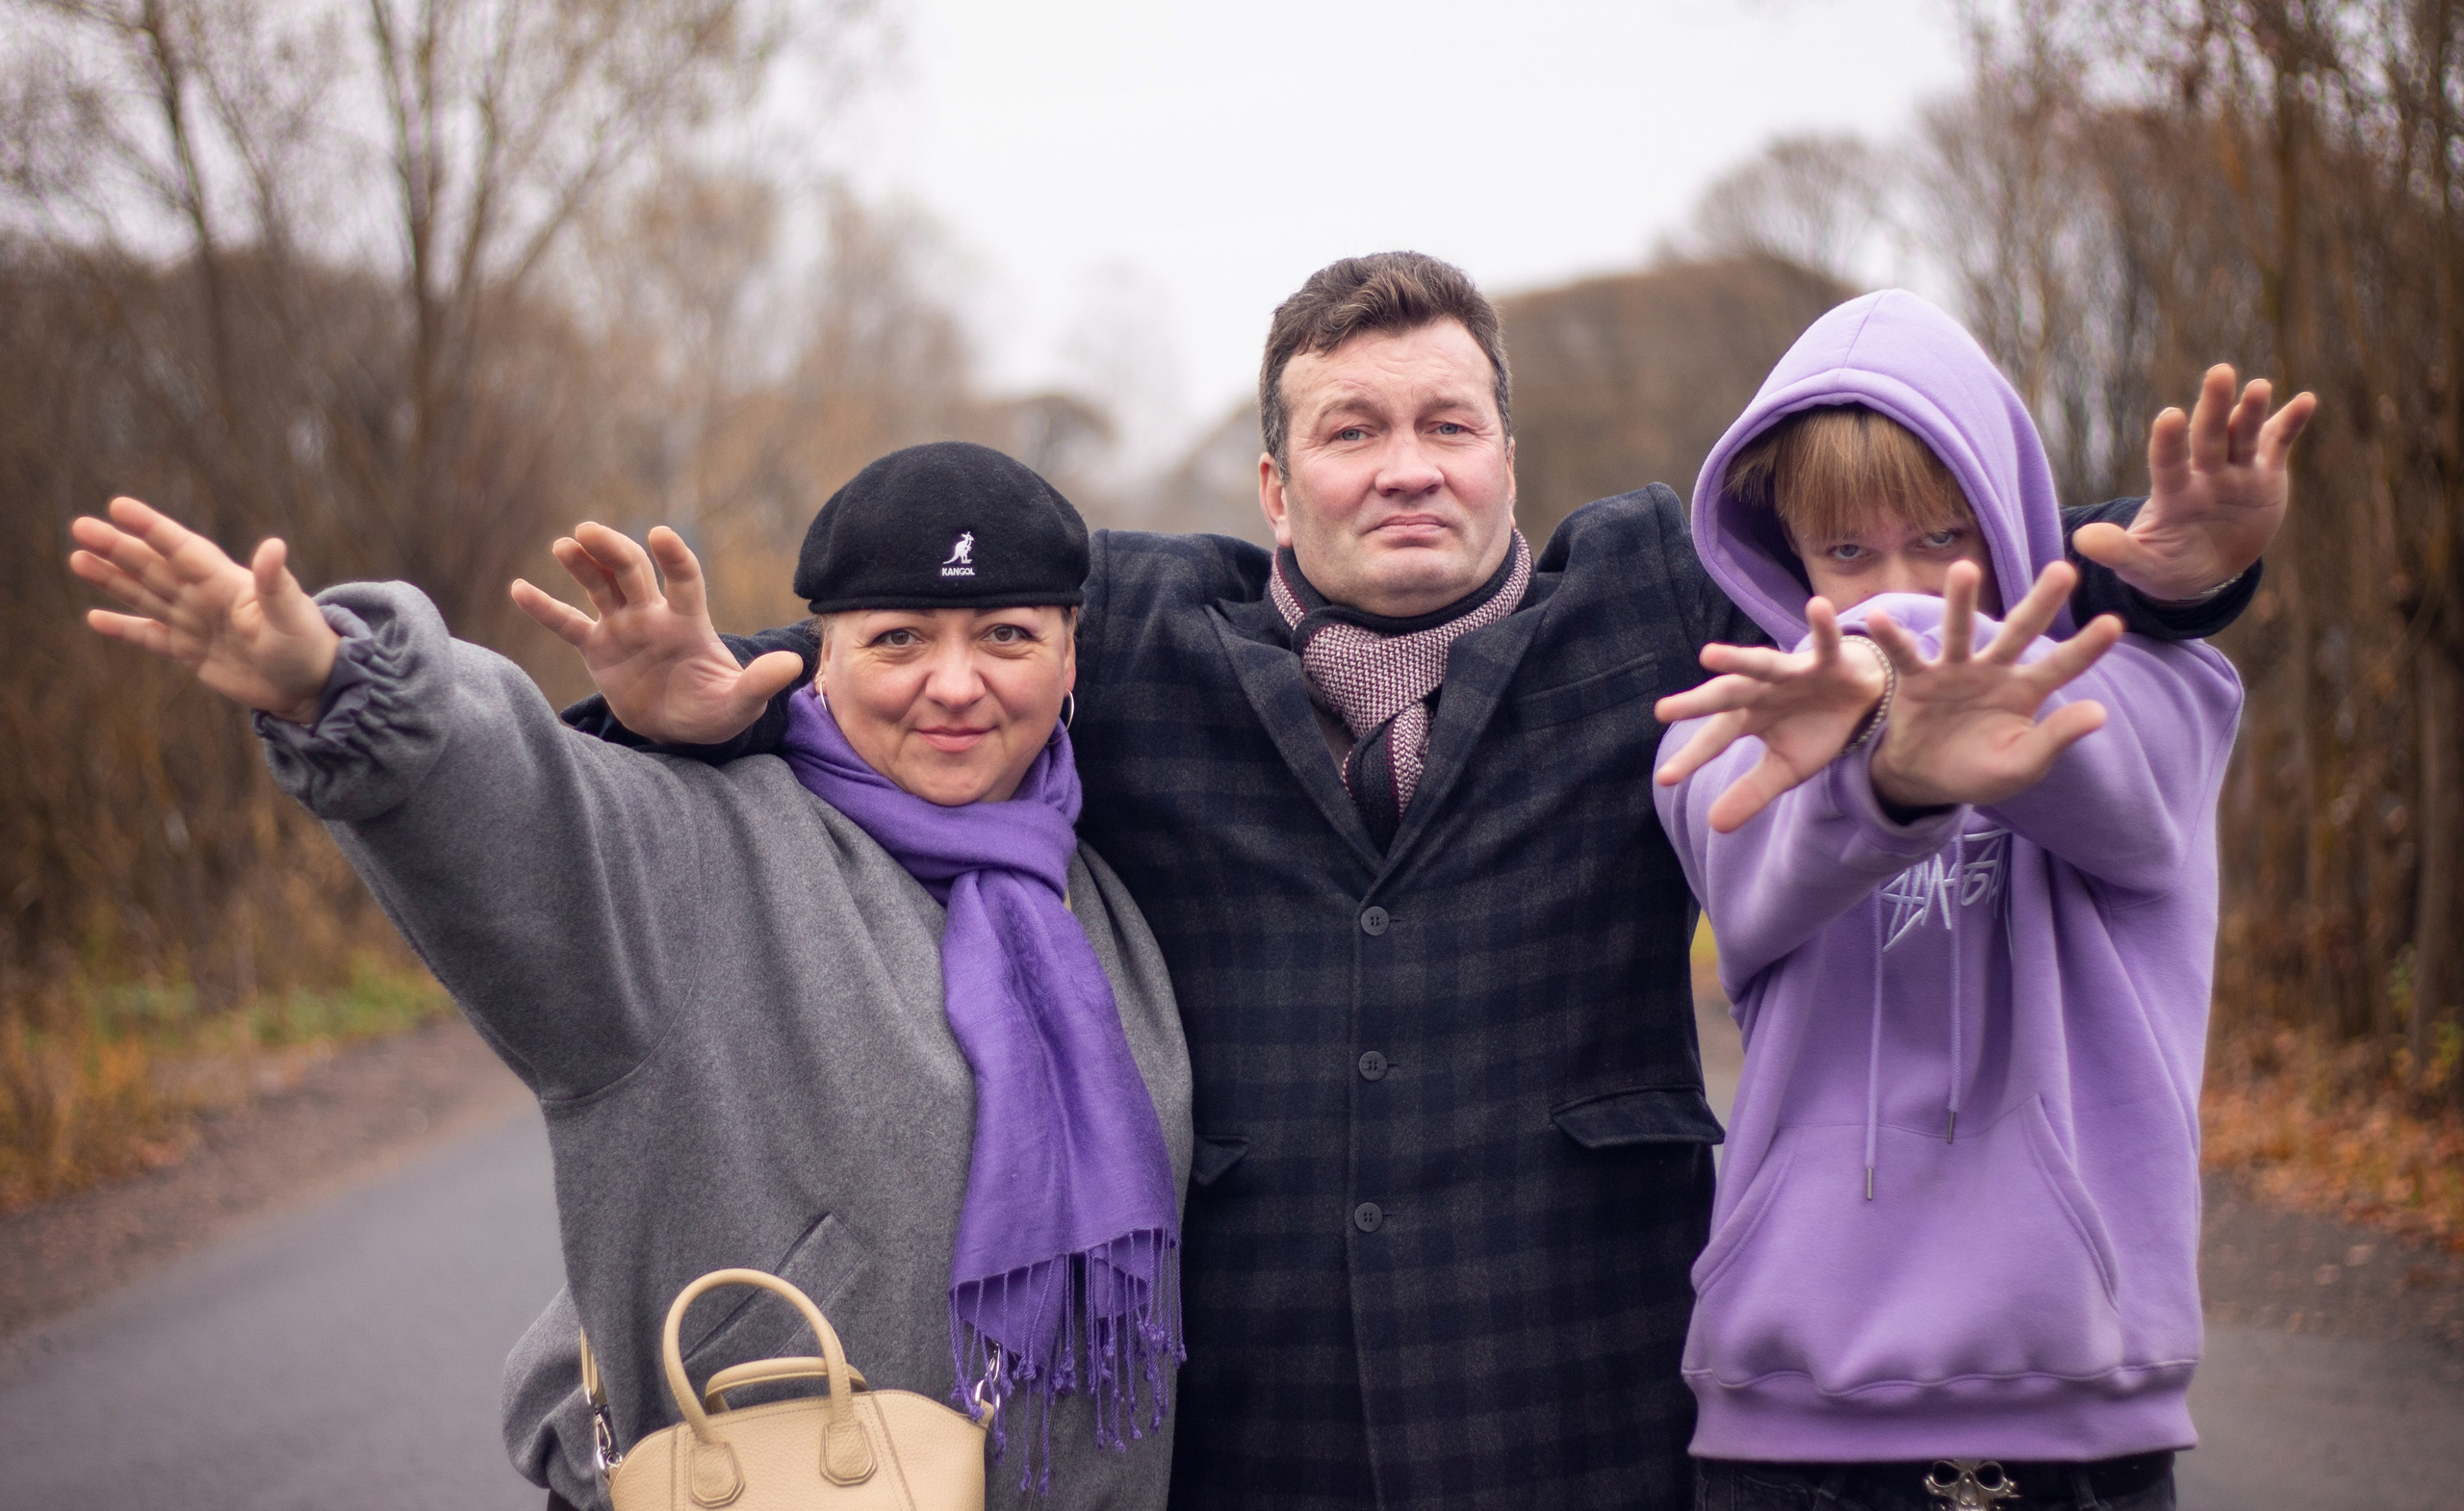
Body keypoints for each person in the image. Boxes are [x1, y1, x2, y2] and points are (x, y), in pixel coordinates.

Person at [550, 253, 2306, 1509]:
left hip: (1588, 1390)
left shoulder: (1648, 604)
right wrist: (704, 702)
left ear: (1508, 461)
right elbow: (923, 644)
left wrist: (2171, 582)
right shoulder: (1145, 633)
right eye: (1353, 428)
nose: (1408, 464)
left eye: (1450, 423)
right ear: (1274, 482)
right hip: (1255, 1411)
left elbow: (1922, 555)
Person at [64, 444, 1194, 1511]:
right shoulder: (698, 848)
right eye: (898, 638)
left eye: (1005, 635)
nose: (954, 684)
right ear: (824, 656)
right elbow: (519, 808)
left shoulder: (1100, 903)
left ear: (1068, 661)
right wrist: (331, 683)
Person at [1653, 291, 2247, 1510]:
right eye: (1845, 554)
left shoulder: (2155, 691)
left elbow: (2117, 799)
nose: (1899, 589)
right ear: (1785, 556)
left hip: (2070, 1414)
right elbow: (1757, 889)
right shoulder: (1735, 729)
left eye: (1941, 536)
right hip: (1787, 1420)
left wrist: (1900, 685)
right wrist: (1887, 780)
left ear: (2009, 518)